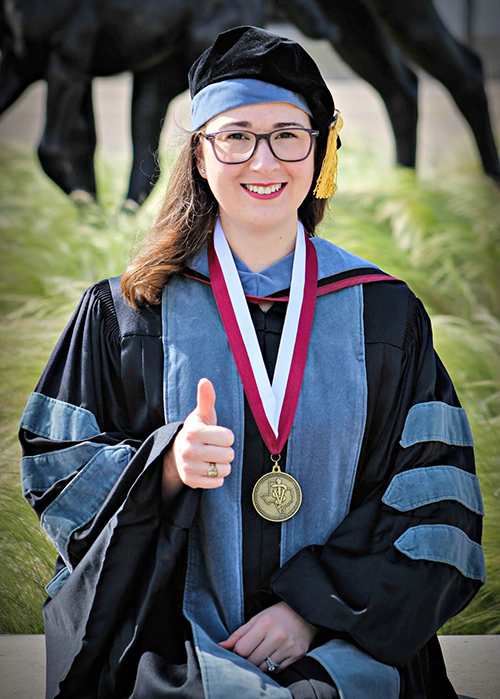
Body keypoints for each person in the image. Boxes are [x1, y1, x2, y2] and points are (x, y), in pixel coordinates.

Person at [19, 25, 485, 699]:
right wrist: (163, 467)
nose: (262, 162)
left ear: (320, 151)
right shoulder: (125, 311)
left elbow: (438, 504)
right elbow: (55, 466)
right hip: (168, 637)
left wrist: (313, 608)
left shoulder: (385, 314)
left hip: (344, 635)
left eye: (287, 135)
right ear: (201, 156)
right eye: (236, 135)